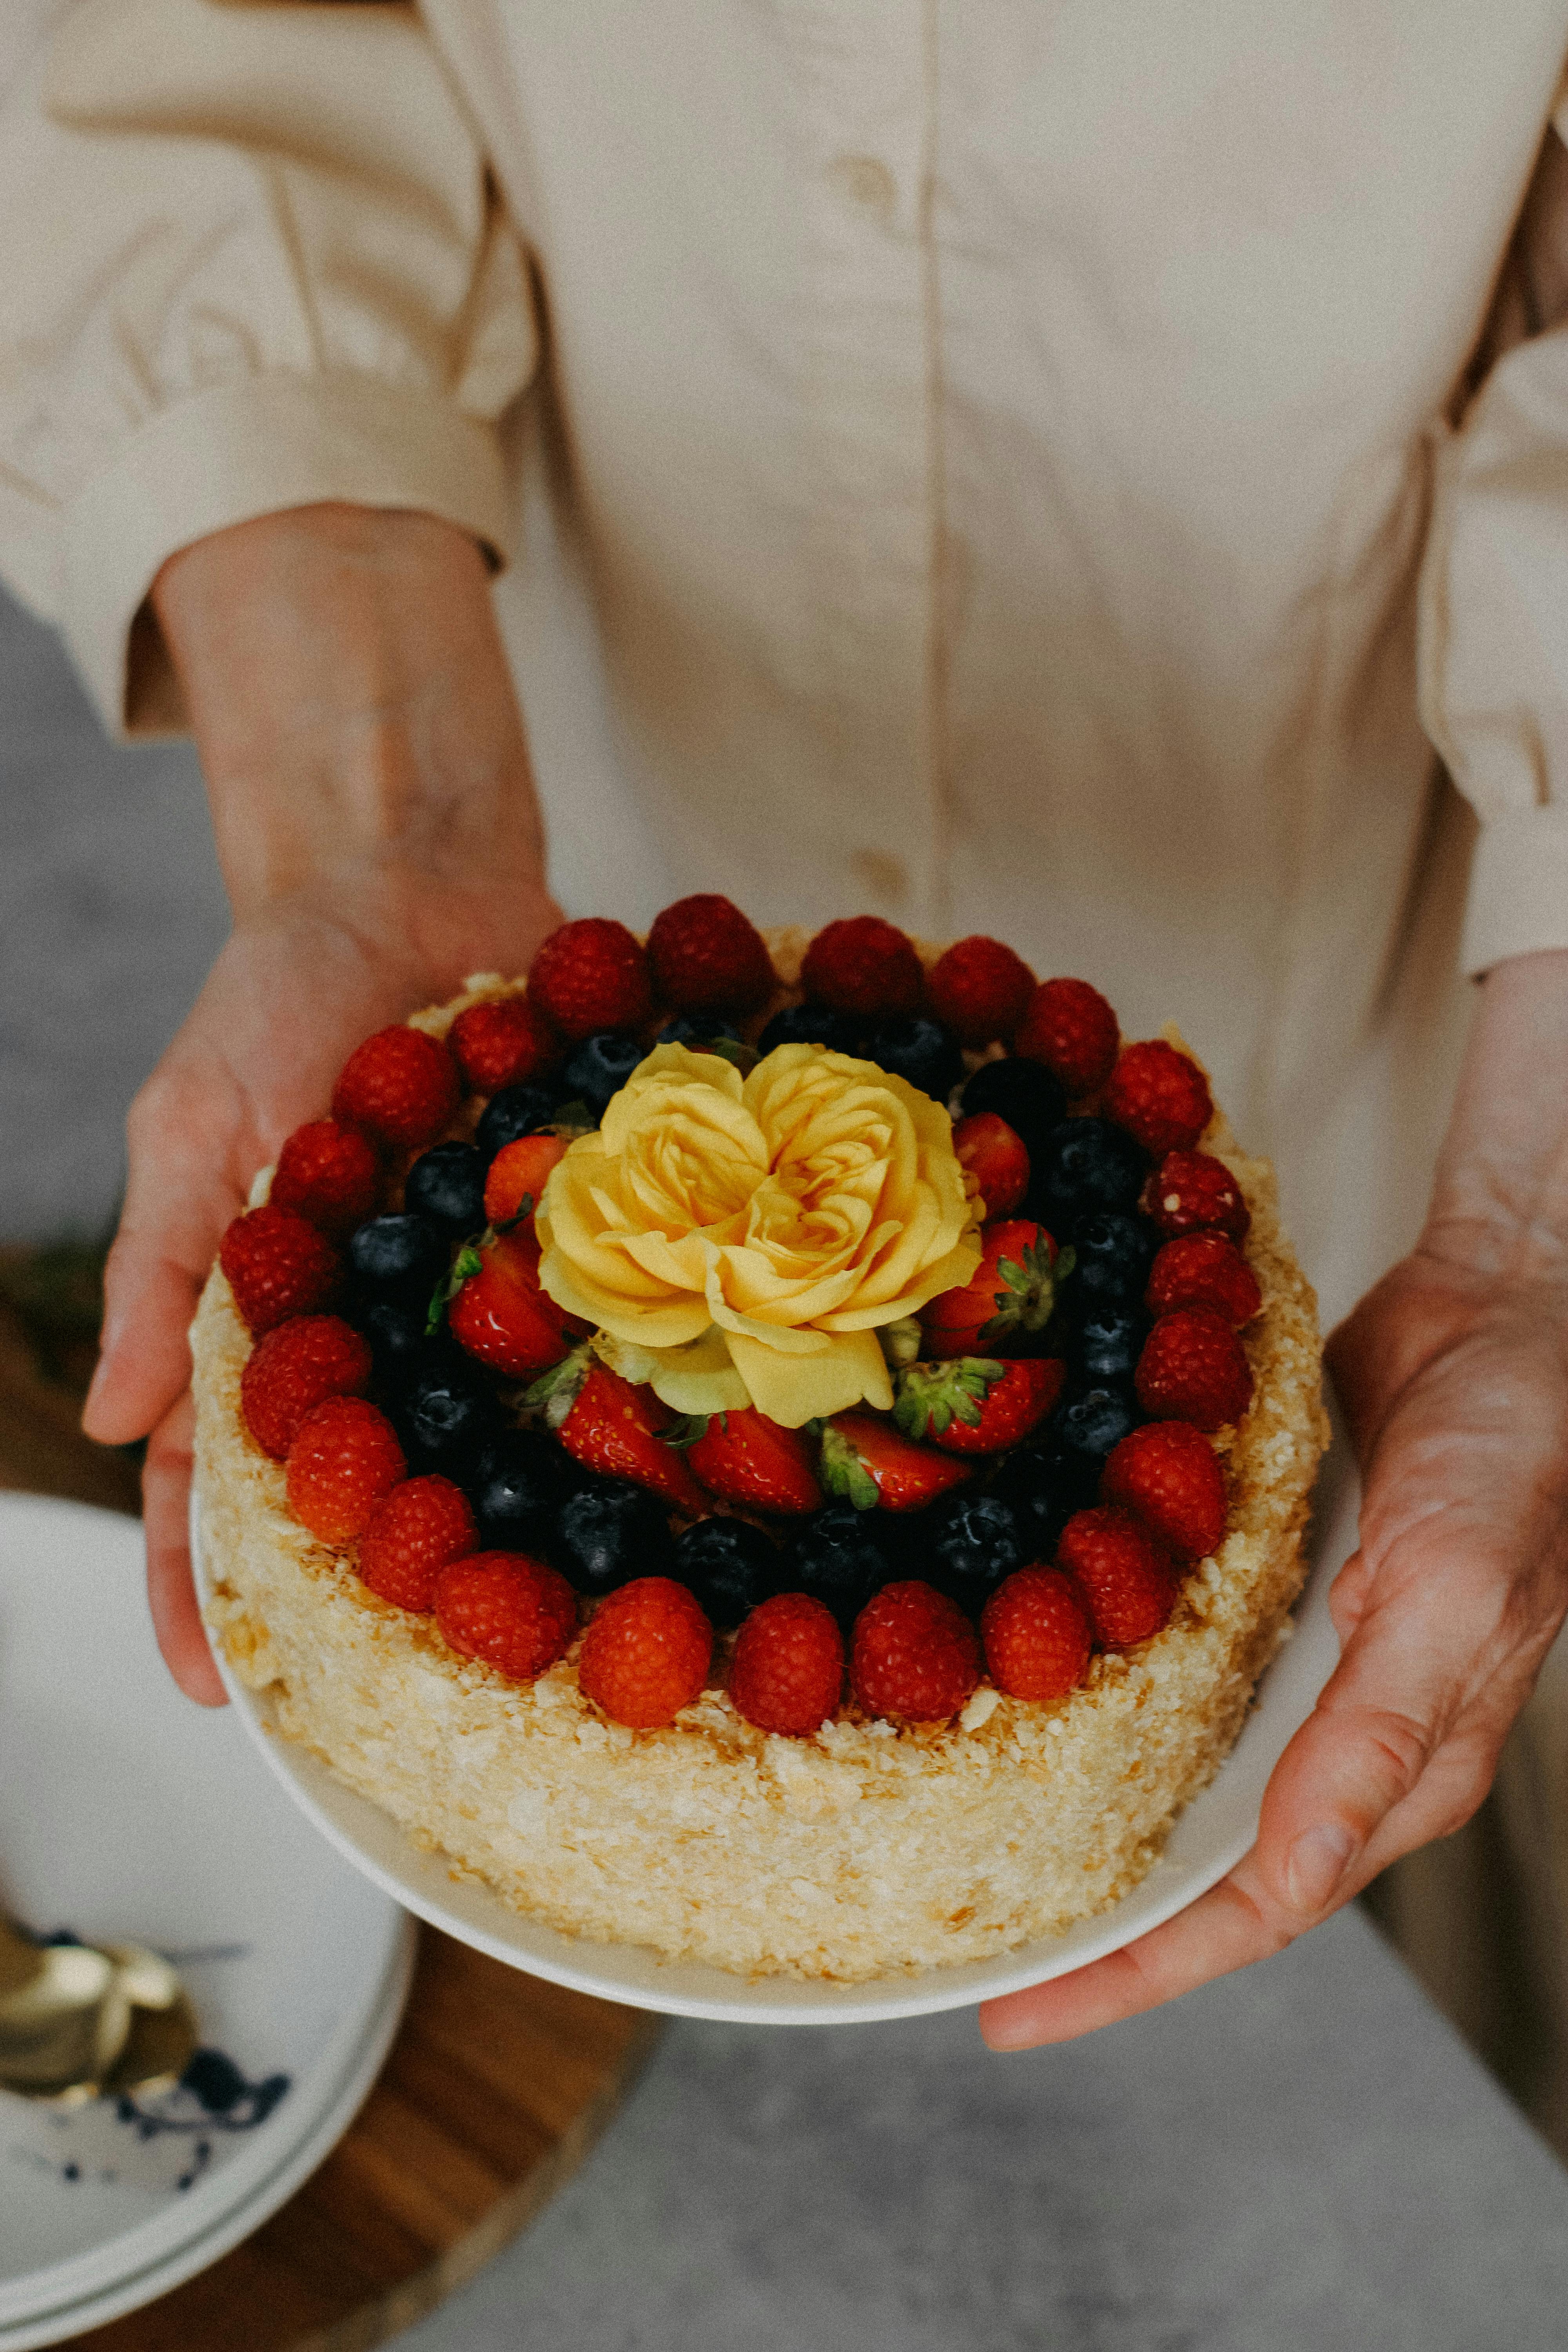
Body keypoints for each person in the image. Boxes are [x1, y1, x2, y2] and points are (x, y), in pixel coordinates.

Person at [4, 2, 1568, 2057]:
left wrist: (1531, 1231)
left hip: (1425, 1020)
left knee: (1420, 1904)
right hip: (567, 789)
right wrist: (386, 834)